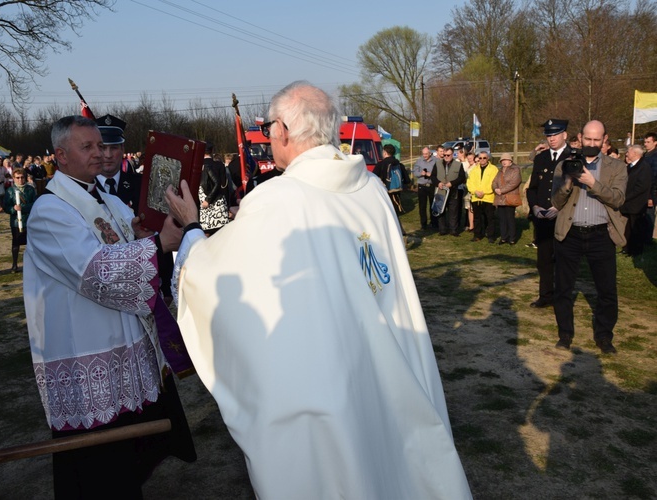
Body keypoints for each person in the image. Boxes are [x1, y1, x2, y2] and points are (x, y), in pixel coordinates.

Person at [164, 81, 471, 499]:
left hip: (330, 368)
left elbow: (216, 279)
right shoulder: (372, 187)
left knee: (344, 465)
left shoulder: (279, 197)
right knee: (393, 452)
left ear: (285, 131)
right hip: (386, 355)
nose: (269, 135)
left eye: (270, 127)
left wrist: (192, 231)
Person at [23, 115, 195, 498]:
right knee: (96, 471)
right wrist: (155, 246)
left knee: (126, 465)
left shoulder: (109, 199)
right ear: (61, 156)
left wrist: (142, 238)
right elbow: (94, 272)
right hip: (86, 354)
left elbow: (125, 256)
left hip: (125, 347)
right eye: (88, 147)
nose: (99, 153)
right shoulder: (51, 211)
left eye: (101, 145)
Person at [551, 120, 627, 354]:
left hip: (601, 235)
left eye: (597, 140)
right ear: (580, 138)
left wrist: (592, 183)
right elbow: (556, 201)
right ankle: (565, 334)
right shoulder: (565, 165)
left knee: (606, 290)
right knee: (563, 288)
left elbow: (617, 199)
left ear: (605, 139)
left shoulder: (617, 167)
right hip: (570, 234)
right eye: (588, 139)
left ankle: (604, 336)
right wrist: (567, 182)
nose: (592, 144)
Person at [95, 113, 175, 303]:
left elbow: (159, 232)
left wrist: (166, 285)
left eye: (113, 148)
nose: (107, 155)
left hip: (144, 281)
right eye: (102, 148)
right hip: (103, 285)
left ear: (122, 149)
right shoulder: (86, 191)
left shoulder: (144, 186)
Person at [527, 119, 570, 308]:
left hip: (564, 217)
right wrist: (535, 207)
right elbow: (533, 188)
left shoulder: (573, 157)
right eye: (548, 135)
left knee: (563, 260)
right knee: (543, 260)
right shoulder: (541, 158)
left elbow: (577, 191)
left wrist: (559, 208)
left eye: (555, 134)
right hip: (543, 216)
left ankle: (562, 298)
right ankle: (545, 296)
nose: (551, 139)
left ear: (564, 135)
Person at [3, 168, 36, 272]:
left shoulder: (30, 189)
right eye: (17, 177)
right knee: (16, 243)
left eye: (22, 177)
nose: (20, 179)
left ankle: (33, 264)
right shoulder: (10, 191)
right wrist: (13, 209)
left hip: (29, 220)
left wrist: (24, 208)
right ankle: (14, 264)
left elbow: (35, 204)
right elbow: (6, 206)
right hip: (16, 221)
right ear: (13, 178)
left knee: (31, 244)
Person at [621, 145, 652, 256]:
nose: (626, 154)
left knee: (637, 228)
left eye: (628, 152)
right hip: (629, 203)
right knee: (628, 227)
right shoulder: (631, 166)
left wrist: (626, 197)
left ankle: (636, 250)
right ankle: (627, 248)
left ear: (635, 153)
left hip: (637, 204)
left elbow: (641, 187)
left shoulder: (644, 167)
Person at [431, 144, 466, 236]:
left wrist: (452, 183)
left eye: (448, 155)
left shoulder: (458, 165)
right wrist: (438, 183)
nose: (446, 157)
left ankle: (453, 230)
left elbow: (462, 177)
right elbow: (433, 176)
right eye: (445, 155)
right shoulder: (437, 163)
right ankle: (442, 229)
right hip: (441, 191)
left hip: (453, 191)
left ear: (452, 154)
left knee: (453, 211)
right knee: (440, 210)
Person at [198, 142, 229, 235]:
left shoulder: (198, 165)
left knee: (206, 235)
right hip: (219, 203)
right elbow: (224, 185)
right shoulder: (219, 165)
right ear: (212, 151)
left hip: (203, 202)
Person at [467, 151, 498, 243]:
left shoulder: (494, 169)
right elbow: (469, 183)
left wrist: (484, 192)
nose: (482, 160)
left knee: (490, 218)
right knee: (477, 218)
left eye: (484, 158)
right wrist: (475, 191)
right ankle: (477, 235)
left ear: (488, 158)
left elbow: (494, 183)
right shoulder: (474, 170)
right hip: (476, 198)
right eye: (480, 158)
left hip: (488, 198)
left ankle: (491, 236)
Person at [492, 153, 522, 245]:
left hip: (510, 197)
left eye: (506, 160)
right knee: (502, 219)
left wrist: (502, 190)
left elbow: (514, 183)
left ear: (510, 161)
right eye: (502, 160)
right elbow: (494, 182)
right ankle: (504, 237)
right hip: (500, 198)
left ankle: (512, 238)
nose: (504, 162)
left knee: (510, 218)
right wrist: (495, 189)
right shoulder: (499, 171)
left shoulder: (515, 170)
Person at [373, 143, 405, 213]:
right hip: (397, 187)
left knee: (388, 206)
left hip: (386, 188)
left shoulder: (381, 164)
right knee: (395, 201)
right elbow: (406, 178)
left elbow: (374, 176)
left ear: (385, 153)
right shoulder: (398, 163)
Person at [412, 146, 436, 229]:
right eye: (423, 154)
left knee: (433, 205)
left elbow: (438, 172)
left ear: (430, 153)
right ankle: (424, 224)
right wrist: (420, 173)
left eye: (426, 154)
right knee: (422, 206)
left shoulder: (435, 161)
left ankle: (434, 222)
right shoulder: (419, 161)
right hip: (422, 186)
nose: (424, 155)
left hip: (432, 185)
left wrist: (431, 175)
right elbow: (414, 172)